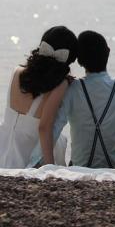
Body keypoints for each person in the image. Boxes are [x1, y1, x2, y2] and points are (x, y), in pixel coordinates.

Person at [33, 30, 115, 173]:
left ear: (80, 61)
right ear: (108, 52)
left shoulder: (70, 89)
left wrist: (39, 165)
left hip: (80, 167)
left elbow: (54, 128)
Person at [0, 26, 78, 168]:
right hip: (25, 157)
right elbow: (44, 127)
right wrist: (50, 167)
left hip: (3, 147)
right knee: (58, 139)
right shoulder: (61, 84)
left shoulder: (17, 71)